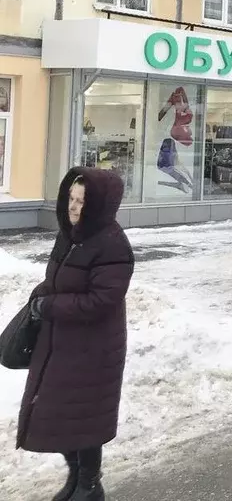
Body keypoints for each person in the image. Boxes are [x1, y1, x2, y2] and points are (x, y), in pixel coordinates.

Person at [17, 168, 135, 501]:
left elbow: (100, 301)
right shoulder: (70, 235)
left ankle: (89, 484)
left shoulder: (113, 244)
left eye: (82, 201)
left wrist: (50, 307)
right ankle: (76, 478)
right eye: (70, 198)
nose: (73, 207)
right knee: (61, 413)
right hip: (61, 345)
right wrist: (39, 298)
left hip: (94, 349)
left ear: (98, 204)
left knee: (85, 418)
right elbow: (58, 279)